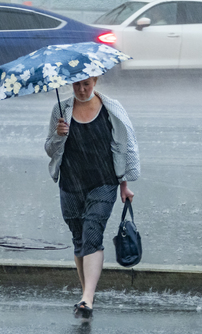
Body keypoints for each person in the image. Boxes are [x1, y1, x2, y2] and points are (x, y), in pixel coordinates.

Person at [45, 76, 140, 320]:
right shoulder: (61, 110)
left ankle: (87, 298)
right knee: (79, 239)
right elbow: (49, 149)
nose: (82, 89)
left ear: (95, 80)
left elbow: (122, 146)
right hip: (71, 185)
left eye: (86, 83)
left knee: (92, 235)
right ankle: (86, 293)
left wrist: (124, 185)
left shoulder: (111, 109)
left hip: (103, 183)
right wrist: (58, 134)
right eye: (76, 84)